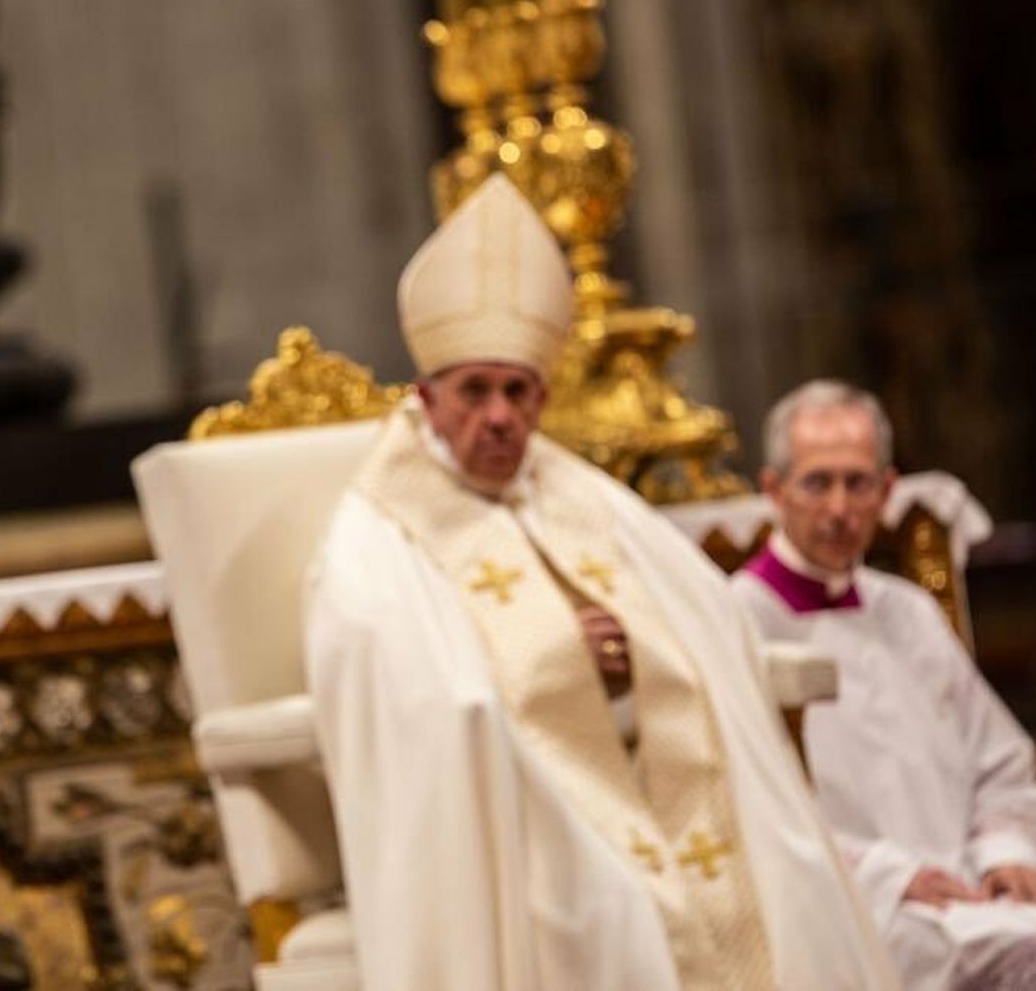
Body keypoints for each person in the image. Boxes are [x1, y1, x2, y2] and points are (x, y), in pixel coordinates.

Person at [303, 174, 898, 990]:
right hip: (518, 810)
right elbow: (399, 693)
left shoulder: (572, 490)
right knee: (622, 910)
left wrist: (641, 650)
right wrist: (553, 656)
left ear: (543, 397)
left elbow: (704, 618)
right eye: (474, 392)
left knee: (789, 872)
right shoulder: (374, 533)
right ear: (426, 398)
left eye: (519, 392)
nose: (500, 416)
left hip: (650, 775)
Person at [732, 380, 1036, 989]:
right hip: (851, 902)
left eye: (858, 484)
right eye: (816, 482)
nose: (838, 508)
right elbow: (745, 798)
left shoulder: (907, 612)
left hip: (971, 883)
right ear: (773, 490)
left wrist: (1006, 853)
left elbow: (998, 763)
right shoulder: (736, 620)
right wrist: (887, 877)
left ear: (887, 490)